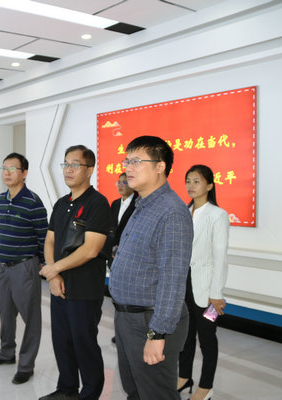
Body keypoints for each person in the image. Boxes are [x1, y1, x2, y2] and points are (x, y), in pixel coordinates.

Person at [109, 135, 193, 400]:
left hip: (150, 321)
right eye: (127, 161)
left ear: (160, 166)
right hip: (128, 317)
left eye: (136, 161)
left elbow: (173, 279)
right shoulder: (142, 204)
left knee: (156, 394)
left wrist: (157, 334)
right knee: (135, 390)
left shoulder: (171, 212)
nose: (128, 168)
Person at [39, 145, 111, 400]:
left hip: (84, 288)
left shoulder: (97, 203)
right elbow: (49, 241)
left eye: (75, 165)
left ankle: (89, 394)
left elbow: (91, 249)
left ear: (89, 170)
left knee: (84, 344)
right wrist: (53, 276)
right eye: (65, 164)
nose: (68, 170)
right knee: (62, 341)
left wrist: (53, 269)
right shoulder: (61, 204)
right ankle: (67, 389)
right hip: (59, 286)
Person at [0, 152, 48, 385]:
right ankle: (6, 353)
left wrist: (43, 264)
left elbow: (44, 237)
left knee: (31, 318)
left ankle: (26, 365)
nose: (7, 173)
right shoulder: (1, 199)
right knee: (6, 314)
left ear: (24, 173)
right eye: (4, 168)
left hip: (25, 266)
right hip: (3, 266)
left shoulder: (33, 202)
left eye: (12, 169)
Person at [178, 165, 229, 400]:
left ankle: (206, 387)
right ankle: (184, 376)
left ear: (209, 185)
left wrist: (216, 293)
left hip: (207, 290)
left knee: (207, 339)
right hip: (183, 284)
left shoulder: (217, 215)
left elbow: (220, 257)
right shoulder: (183, 211)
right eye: (188, 180)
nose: (191, 185)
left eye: (196, 181)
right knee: (185, 335)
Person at [101, 172, 138, 269]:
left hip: (130, 251)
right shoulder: (115, 204)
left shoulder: (138, 204)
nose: (120, 185)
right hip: (113, 253)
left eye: (124, 182)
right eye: (119, 182)